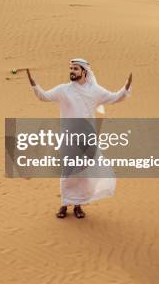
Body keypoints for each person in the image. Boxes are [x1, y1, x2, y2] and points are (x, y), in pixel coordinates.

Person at [26, 58, 132, 219]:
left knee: (83, 173)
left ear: (84, 71)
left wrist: (126, 87)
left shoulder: (95, 91)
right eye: (71, 68)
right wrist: (34, 84)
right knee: (68, 172)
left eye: (75, 68)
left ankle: (78, 206)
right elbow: (44, 96)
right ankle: (64, 204)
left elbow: (114, 97)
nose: (72, 71)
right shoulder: (63, 90)